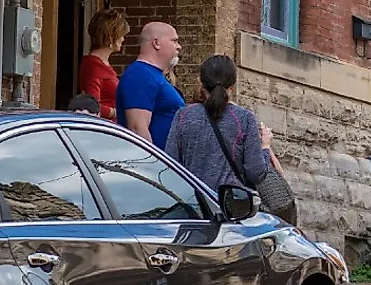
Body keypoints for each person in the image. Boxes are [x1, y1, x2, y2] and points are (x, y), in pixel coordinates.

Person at [165, 55, 280, 201]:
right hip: (231, 207)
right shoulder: (244, 119)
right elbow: (256, 173)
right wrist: (265, 146)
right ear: (232, 86)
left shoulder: (183, 115)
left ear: (201, 82)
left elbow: (170, 167)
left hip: (192, 205)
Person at [116, 21, 187, 149]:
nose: (179, 47)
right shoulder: (140, 74)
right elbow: (137, 129)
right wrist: (153, 166)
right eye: (174, 41)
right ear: (156, 43)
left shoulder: (151, 75)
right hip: (156, 165)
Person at [78, 9, 127, 116]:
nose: (123, 39)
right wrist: (115, 112)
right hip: (103, 127)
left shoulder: (103, 64)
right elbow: (92, 106)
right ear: (110, 37)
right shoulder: (93, 66)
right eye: (120, 35)